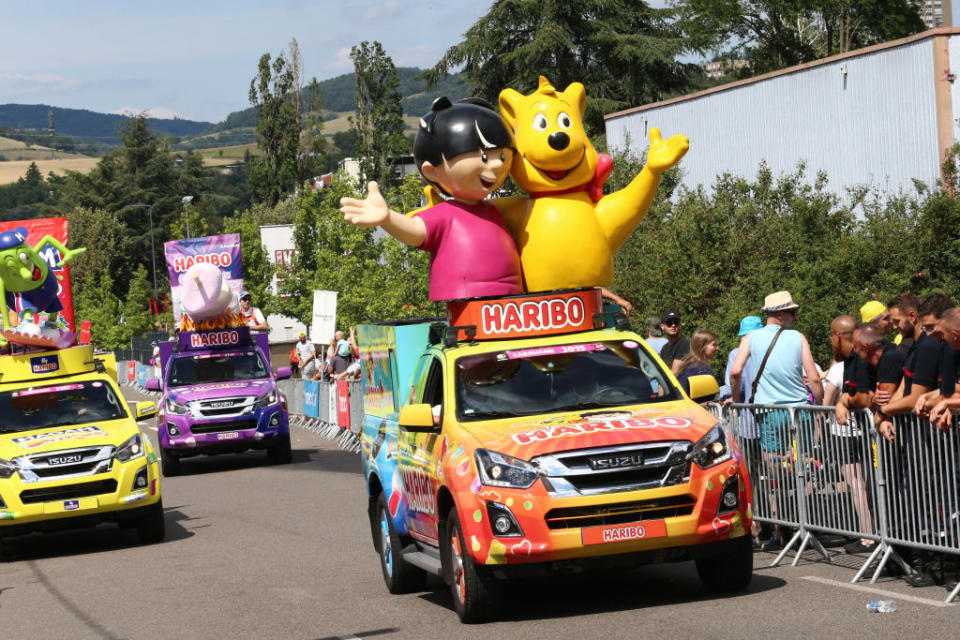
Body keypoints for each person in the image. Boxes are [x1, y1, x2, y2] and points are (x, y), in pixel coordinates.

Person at [340, 97, 522, 301]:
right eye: (485, 158)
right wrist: (388, 218)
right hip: (465, 302)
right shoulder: (446, 214)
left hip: (513, 302)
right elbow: (417, 232)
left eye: (503, 157)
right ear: (432, 171)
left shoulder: (494, 211)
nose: (497, 165)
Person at [730, 291, 821, 550]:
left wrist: (737, 401)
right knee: (802, 469)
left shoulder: (750, 338)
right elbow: (814, 379)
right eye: (793, 312)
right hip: (800, 413)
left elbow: (735, 371)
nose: (795, 317)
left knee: (775, 476)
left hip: (770, 414)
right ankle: (804, 527)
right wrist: (822, 407)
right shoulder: (797, 337)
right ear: (780, 314)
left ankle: (781, 532)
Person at [675, 329, 718, 397]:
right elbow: (707, 398)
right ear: (702, 346)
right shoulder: (702, 370)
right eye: (714, 345)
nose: (717, 348)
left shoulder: (686, 365)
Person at [658, 310, 690, 376]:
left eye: (676, 322)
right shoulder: (665, 348)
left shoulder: (684, 344)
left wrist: (662, 385)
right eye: (669, 323)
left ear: (680, 325)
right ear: (662, 326)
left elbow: (675, 373)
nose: (673, 325)